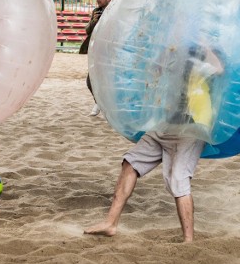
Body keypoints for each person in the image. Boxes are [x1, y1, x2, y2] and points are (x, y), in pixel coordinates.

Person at [84, 44, 224, 243]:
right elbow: (152, 68)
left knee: (178, 179)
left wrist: (204, 45)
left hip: (190, 131)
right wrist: (169, 48)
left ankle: (188, 239)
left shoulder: (200, 69)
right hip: (163, 128)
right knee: (130, 164)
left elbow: (219, 69)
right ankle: (110, 223)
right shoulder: (171, 68)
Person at [79, 0, 113, 116]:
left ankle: (107, 106)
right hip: (97, 52)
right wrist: (94, 21)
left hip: (110, 53)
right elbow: (87, 30)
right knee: (90, 81)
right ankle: (99, 102)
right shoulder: (96, 12)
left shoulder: (116, 12)